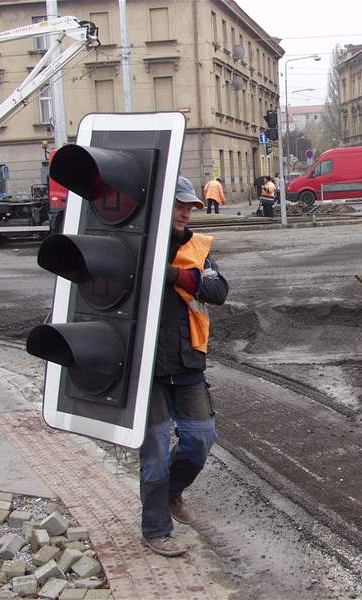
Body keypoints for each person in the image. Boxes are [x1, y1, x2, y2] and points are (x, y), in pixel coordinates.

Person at [139, 175, 229, 557]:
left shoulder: (197, 248)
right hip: (149, 370)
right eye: (178, 205)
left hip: (188, 362)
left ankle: (171, 492)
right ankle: (156, 527)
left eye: (189, 206)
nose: (184, 212)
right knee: (156, 449)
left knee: (200, 438)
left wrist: (176, 275)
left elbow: (218, 291)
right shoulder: (139, 249)